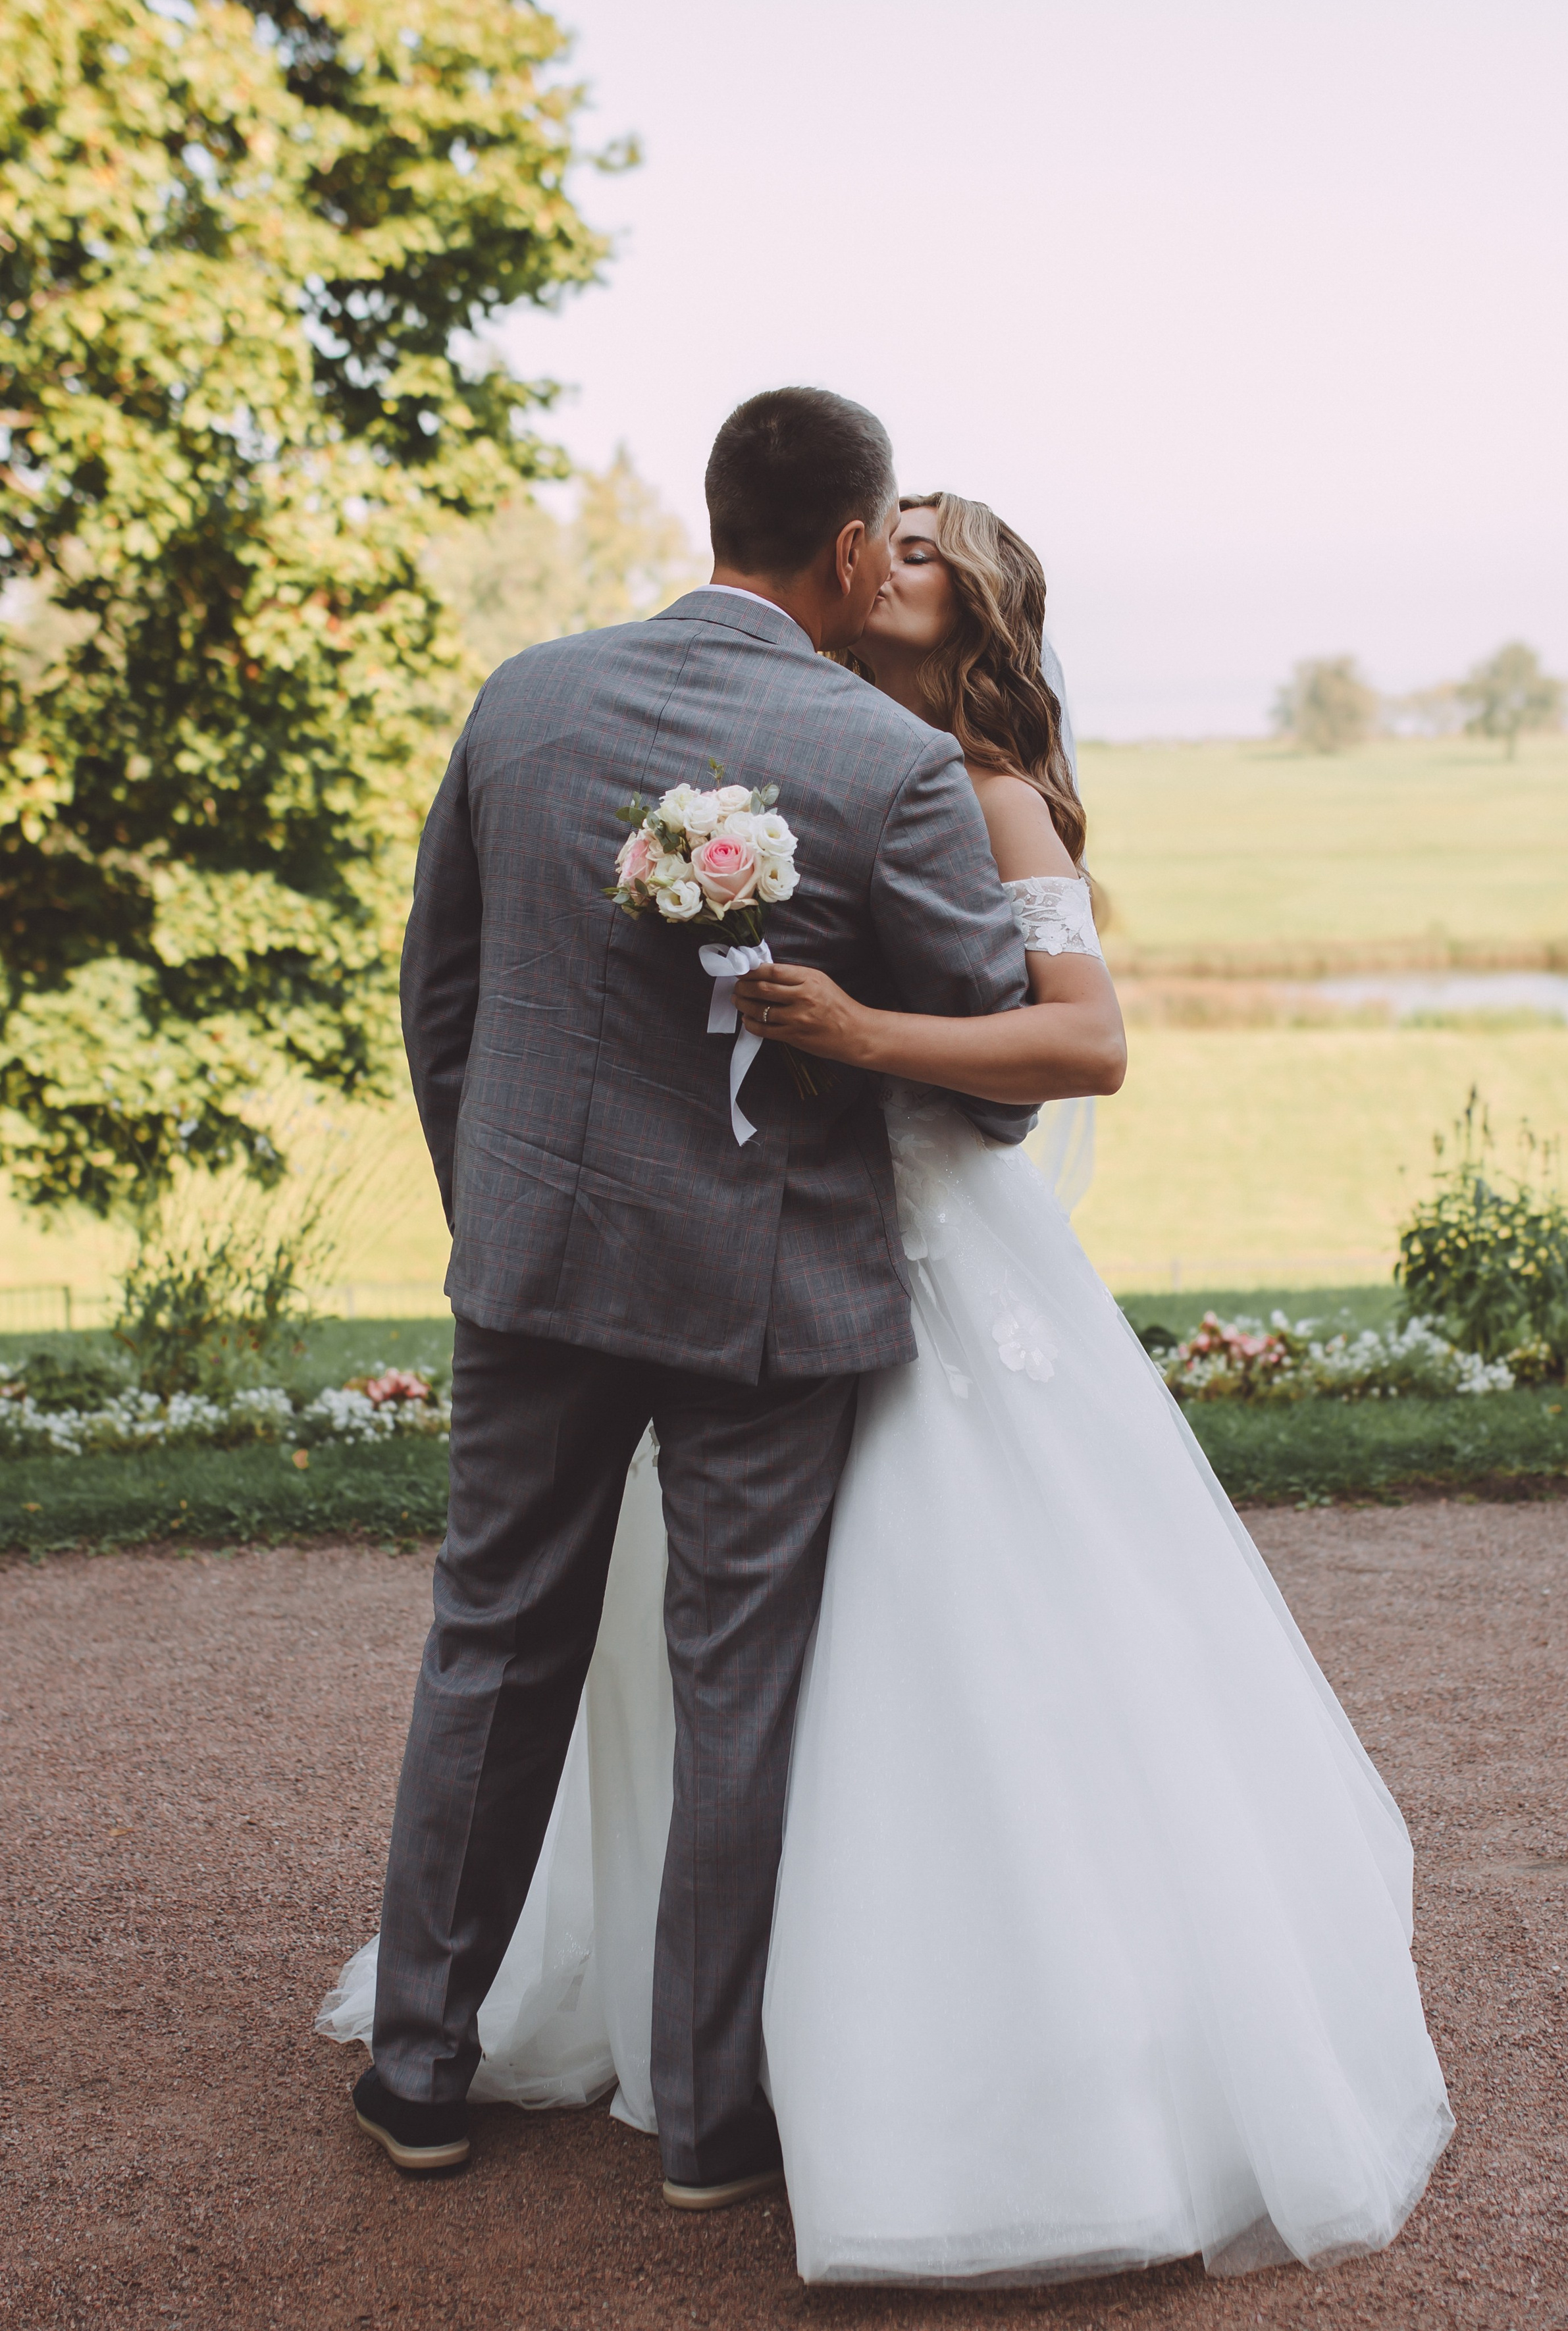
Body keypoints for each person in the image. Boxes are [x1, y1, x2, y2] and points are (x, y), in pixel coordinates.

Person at [323, 483, 1455, 2284]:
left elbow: (1072, 1051)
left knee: (850, 1674)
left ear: (981, 606)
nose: (893, 559)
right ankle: (719, 2087)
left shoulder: (978, 785)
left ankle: (852, 2076)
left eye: (930, 547)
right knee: (735, 1673)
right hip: (746, 1284)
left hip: (882, 1281)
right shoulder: (805, 755)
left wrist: (857, 1037)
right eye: (886, 534)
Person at [350, 388, 1041, 2204]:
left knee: (490, 1644)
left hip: (534, 1271)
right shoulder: (887, 766)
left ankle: (418, 2074)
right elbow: (1001, 1075)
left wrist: (498, 1212)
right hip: (761, 1303)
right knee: (736, 1687)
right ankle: (710, 2126)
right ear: (841, 547)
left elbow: (442, 999)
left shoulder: (527, 697)